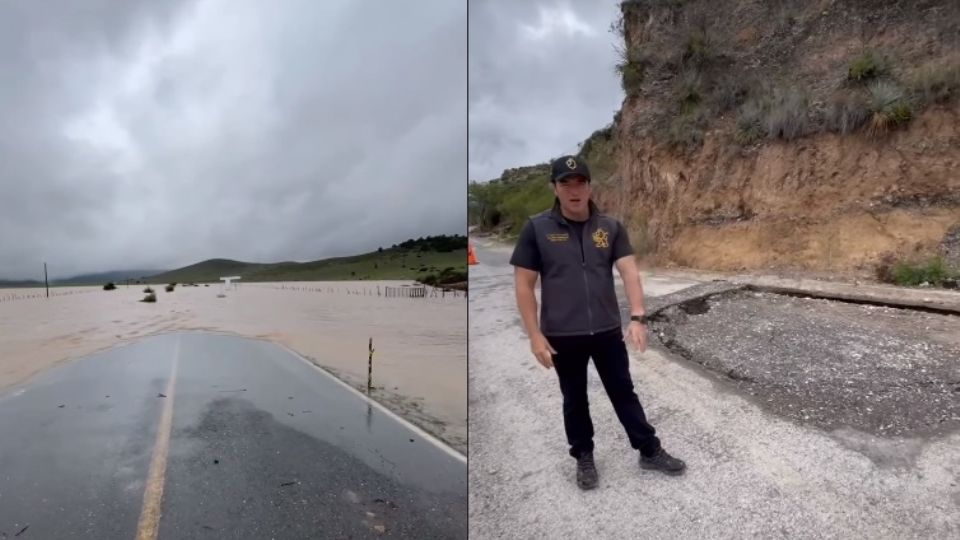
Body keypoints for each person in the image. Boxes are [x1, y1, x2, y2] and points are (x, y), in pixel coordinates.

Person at [509, 154, 686, 490]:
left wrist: (637, 317)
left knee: (624, 391)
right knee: (574, 398)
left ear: (590, 187)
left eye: (580, 183)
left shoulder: (610, 227)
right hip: (562, 334)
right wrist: (534, 336)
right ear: (555, 187)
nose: (574, 190)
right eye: (566, 183)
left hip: (605, 330)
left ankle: (649, 450)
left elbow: (629, 271)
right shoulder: (537, 229)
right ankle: (583, 456)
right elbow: (524, 285)